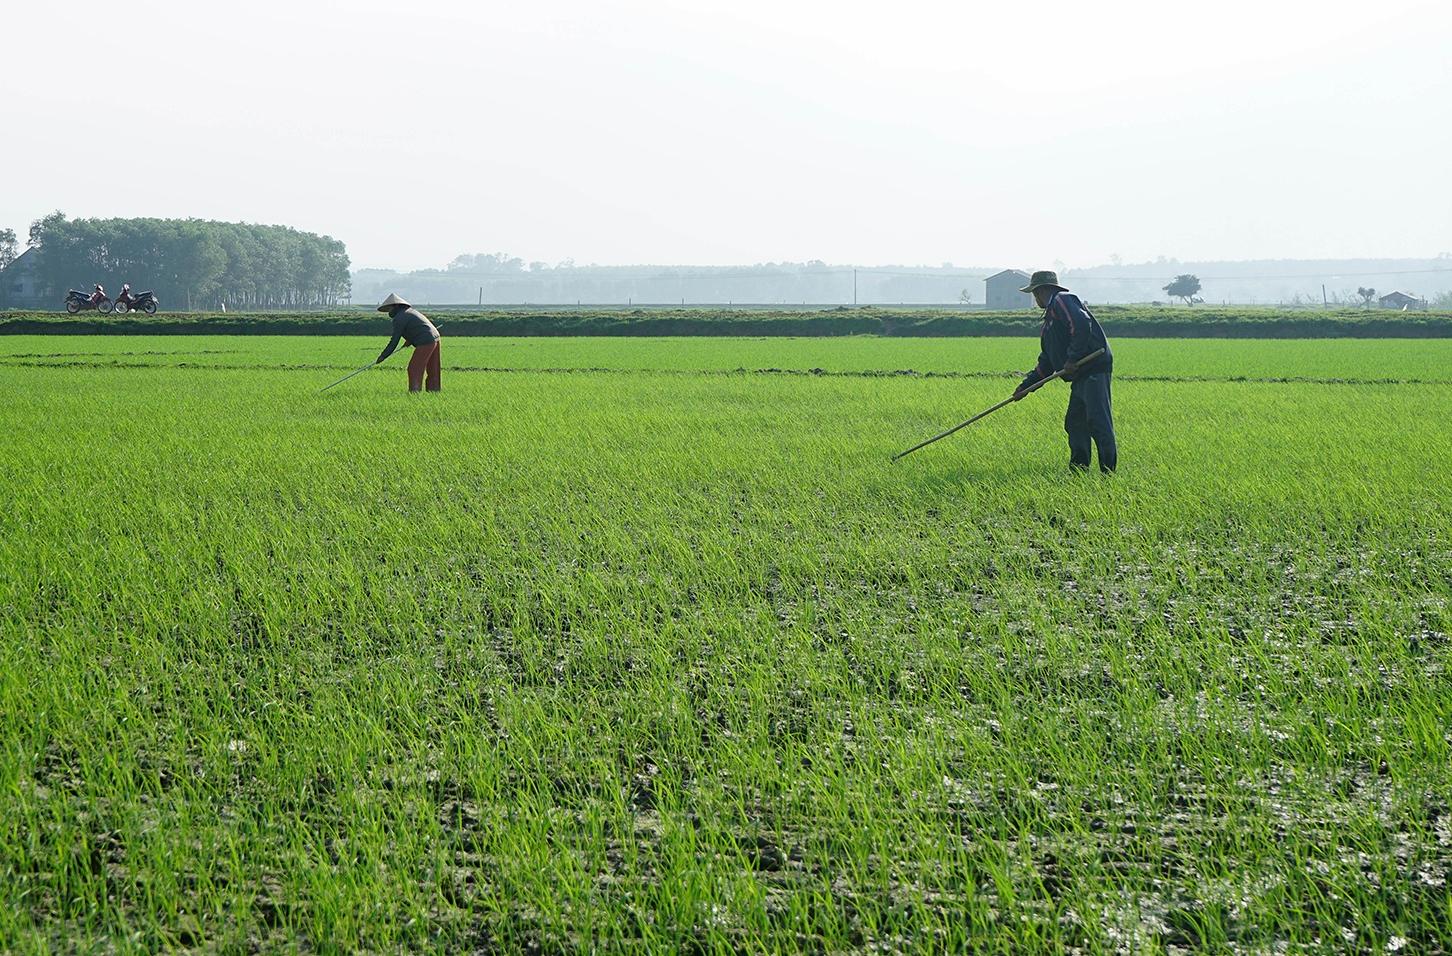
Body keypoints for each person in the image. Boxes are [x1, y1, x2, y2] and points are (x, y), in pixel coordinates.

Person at [1011, 271, 1116, 473]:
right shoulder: (1049, 323)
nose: (1034, 298)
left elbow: (1081, 324)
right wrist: (1025, 387)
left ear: (1041, 291)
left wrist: (1072, 358)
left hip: (1093, 369)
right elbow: (1046, 363)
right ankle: (1078, 473)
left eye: (1034, 293)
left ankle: (1108, 475)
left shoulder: (1062, 300)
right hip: (1080, 376)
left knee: (1098, 422)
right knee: (1075, 423)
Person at [376, 293, 441, 392]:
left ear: (396, 306)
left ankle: (414, 393)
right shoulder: (410, 312)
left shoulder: (399, 318)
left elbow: (394, 341)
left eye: (390, 308)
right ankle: (434, 391)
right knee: (433, 369)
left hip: (425, 341)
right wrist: (410, 340)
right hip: (435, 337)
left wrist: (383, 356)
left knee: (414, 369)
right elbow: (418, 328)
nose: (389, 311)